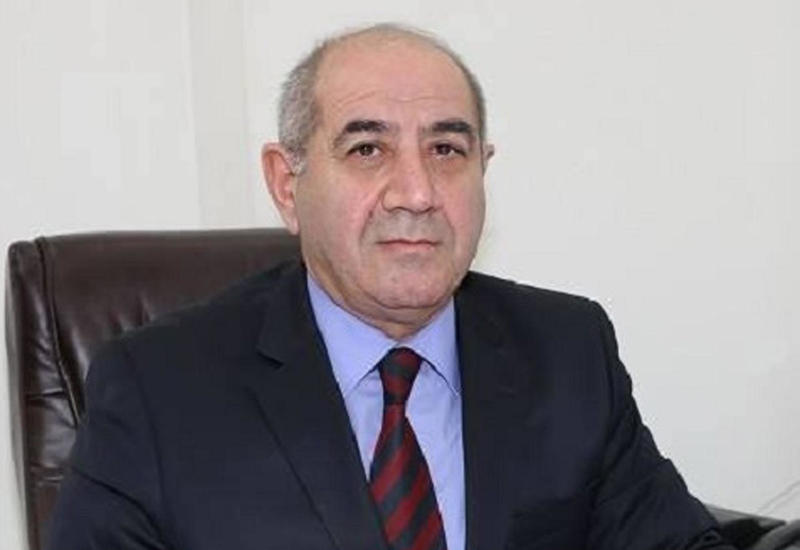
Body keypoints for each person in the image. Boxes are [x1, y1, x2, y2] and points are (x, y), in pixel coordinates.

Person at [47, 23, 733, 550]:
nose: (416, 191)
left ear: (483, 170)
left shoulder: (566, 350)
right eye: (367, 149)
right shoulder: (157, 390)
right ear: (287, 185)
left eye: (446, 150)